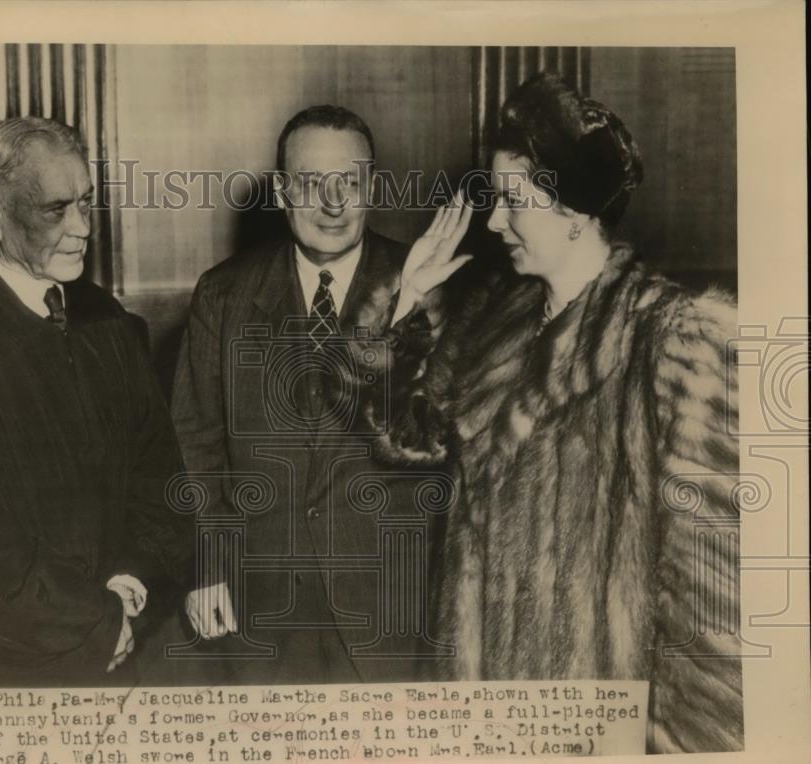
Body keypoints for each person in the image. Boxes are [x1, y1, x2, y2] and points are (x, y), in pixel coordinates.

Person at [359, 73, 743, 752]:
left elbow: (709, 605)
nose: (494, 221)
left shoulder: (674, 339)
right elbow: (403, 439)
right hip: (483, 706)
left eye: (513, 203)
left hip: (597, 727)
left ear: (572, 209)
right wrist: (407, 303)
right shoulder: (491, 321)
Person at [0, 116, 232, 683]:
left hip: (120, 644)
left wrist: (130, 584)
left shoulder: (107, 321)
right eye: (54, 210)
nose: (82, 227)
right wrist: (94, 622)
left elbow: (160, 483)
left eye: (87, 203)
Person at [171, 105, 449, 684]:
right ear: (279, 192)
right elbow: (194, 444)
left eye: (349, 181)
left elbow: (446, 449)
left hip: (393, 606)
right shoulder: (223, 295)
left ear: (372, 187)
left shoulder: (429, 285)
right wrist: (208, 565)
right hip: (260, 604)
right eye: (309, 182)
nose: (332, 203)